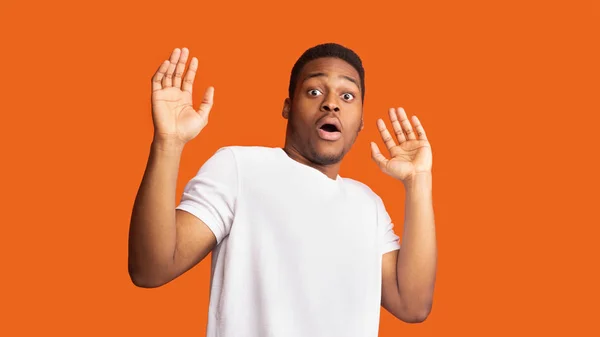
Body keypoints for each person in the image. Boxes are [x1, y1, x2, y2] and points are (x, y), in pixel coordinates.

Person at [128, 43, 437, 337]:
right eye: (314, 91)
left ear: (360, 123)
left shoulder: (368, 205)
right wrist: (168, 143)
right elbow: (151, 268)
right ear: (288, 107)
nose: (331, 102)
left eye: (347, 96)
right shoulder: (239, 168)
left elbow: (413, 305)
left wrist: (418, 181)